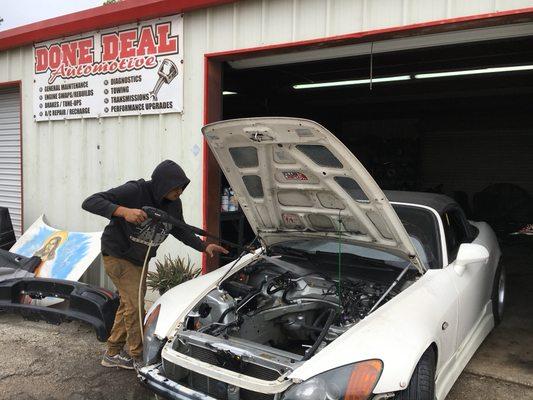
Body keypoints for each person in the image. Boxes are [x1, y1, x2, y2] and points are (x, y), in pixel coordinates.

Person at [82, 160, 227, 370]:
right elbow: (91, 201)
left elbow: (180, 229)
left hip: (140, 259)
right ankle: (138, 356)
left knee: (128, 304)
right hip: (118, 254)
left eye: (182, 187)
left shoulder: (174, 204)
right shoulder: (136, 191)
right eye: (175, 187)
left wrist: (204, 247)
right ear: (162, 184)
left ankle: (112, 353)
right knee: (134, 306)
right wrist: (123, 211)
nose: (180, 191)